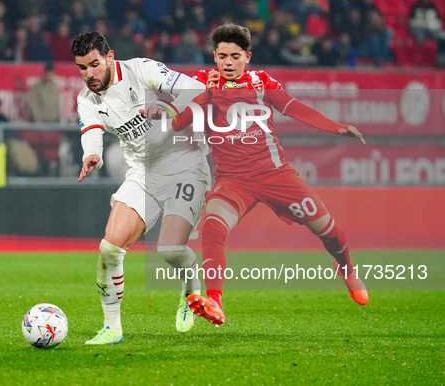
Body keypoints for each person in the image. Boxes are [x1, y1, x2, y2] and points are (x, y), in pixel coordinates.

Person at [171, 23, 368, 326]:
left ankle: (346, 267)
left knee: (329, 230)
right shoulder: (200, 83)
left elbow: (295, 108)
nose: (228, 62)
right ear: (213, 55)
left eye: (235, 56)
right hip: (233, 181)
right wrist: (206, 94)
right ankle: (215, 300)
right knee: (212, 227)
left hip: (275, 174)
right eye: (222, 55)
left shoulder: (261, 82)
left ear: (247, 57)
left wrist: (337, 127)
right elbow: (177, 123)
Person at [72, 31, 210, 344]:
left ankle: (191, 290)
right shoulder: (86, 99)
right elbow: (91, 131)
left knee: (170, 249)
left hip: (186, 165)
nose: (89, 74)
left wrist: (172, 111)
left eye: (94, 64)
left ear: (109, 57)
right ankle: (112, 328)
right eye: (82, 68)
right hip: (144, 172)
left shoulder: (140, 69)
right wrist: (91, 154)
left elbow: (197, 88)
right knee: (109, 248)